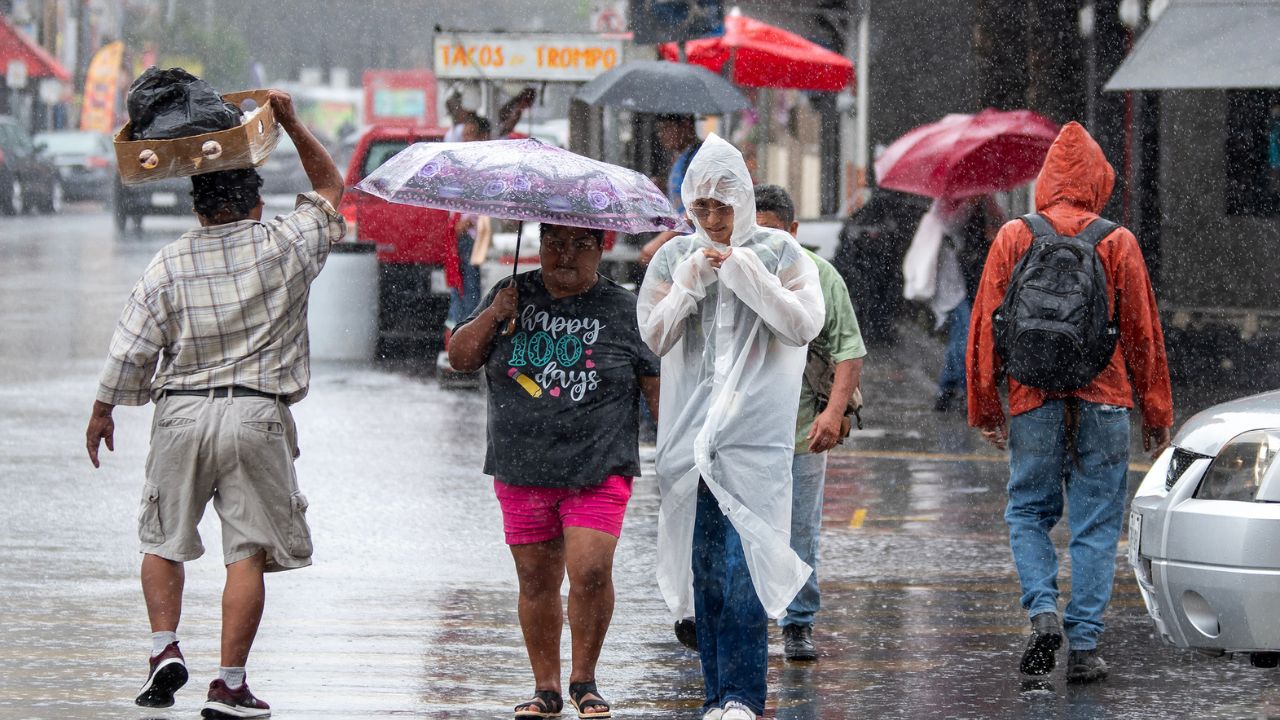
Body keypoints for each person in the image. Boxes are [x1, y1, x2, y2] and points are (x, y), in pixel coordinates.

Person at [84, 90, 345, 716]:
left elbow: (131, 348)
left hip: (180, 415)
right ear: (255, 202)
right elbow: (333, 186)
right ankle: (229, 683)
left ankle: (165, 647)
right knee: (247, 552)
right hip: (257, 414)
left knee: (163, 540)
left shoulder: (168, 263)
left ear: (197, 209)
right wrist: (287, 119)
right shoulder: (284, 244)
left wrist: (103, 410)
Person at [966, 121, 1173, 684]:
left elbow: (986, 325)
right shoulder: (1117, 241)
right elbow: (1142, 335)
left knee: (1029, 512)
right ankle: (1083, 646)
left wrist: (985, 406)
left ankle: (1041, 610)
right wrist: (1157, 415)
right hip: (1104, 401)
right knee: (1097, 524)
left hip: (1034, 399)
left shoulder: (1014, 235)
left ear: (1046, 180)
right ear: (1099, 180)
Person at [637, 135, 824, 720]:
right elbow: (656, 336)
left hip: (754, 442)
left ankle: (744, 695)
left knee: (747, 568)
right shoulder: (674, 258)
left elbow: (803, 325)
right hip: (692, 445)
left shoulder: (778, 253)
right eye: (702, 209)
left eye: (724, 207)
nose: (714, 221)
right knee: (706, 574)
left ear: (743, 200)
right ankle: (716, 694)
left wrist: (747, 275)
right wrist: (690, 285)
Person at [448, 223, 661, 720]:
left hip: (600, 464)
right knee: (536, 581)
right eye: (554, 243)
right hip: (521, 465)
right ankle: (546, 688)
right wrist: (496, 314)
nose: (565, 255)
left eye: (580, 245)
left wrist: (679, 450)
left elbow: (655, 389)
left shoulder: (626, 309)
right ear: (539, 243)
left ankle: (584, 679)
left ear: (602, 247)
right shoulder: (511, 294)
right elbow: (460, 358)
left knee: (589, 570)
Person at [755, 184, 866, 662]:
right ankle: (743, 615)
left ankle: (798, 623)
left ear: (794, 231)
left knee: (799, 530)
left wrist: (833, 412)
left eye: (775, 234)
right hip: (747, 432)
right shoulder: (736, 274)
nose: (766, 245)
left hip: (803, 430)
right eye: (754, 234)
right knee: (746, 528)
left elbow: (849, 351)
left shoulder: (822, 276)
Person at [904, 195, 1001, 412]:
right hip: (955, 286)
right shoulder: (949, 206)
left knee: (961, 335)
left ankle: (948, 389)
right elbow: (952, 230)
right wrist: (973, 206)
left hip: (969, 283)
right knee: (965, 336)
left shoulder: (975, 204)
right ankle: (963, 390)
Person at [639, 114, 704, 266]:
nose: (662, 135)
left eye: (667, 129)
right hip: (682, 245)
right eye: (659, 130)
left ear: (686, 125)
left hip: (694, 246)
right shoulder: (681, 157)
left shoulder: (697, 157)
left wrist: (661, 241)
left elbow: (698, 205)